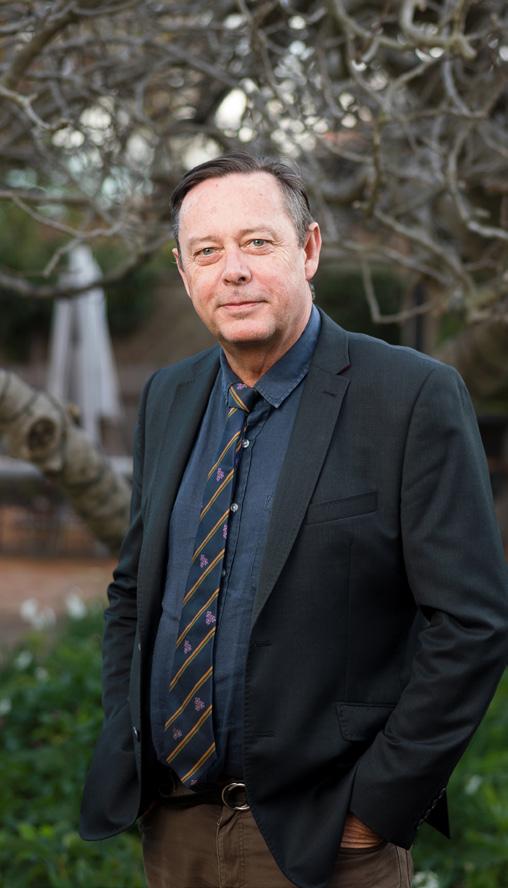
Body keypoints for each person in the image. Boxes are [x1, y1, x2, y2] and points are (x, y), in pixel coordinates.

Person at [80, 153, 508, 888]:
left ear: (308, 250)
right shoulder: (168, 396)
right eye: (206, 252)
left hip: (325, 842)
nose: (233, 271)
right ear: (183, 272)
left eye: (257, 241)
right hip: (174, 830)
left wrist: (375, 810)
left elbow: (472, 624)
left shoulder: (409, 397)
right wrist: (130, 733)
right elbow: (133, 593)